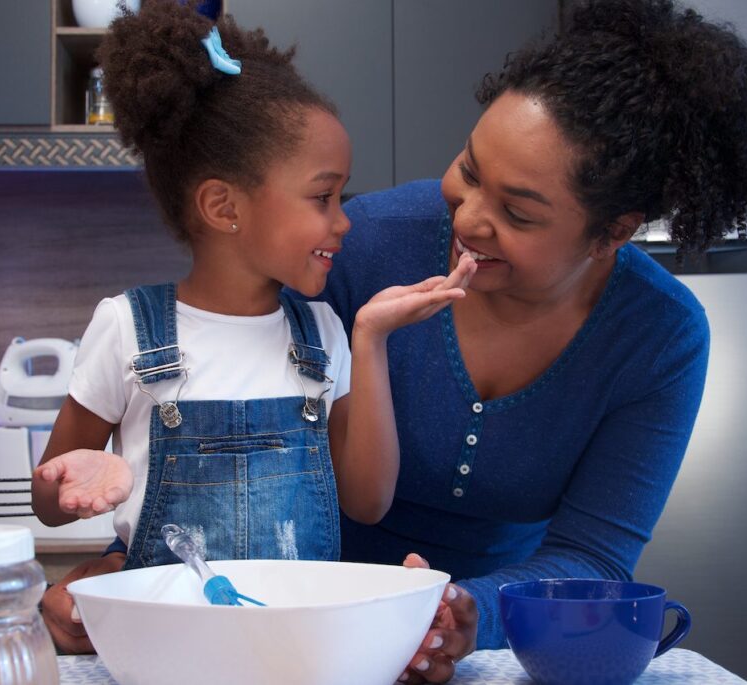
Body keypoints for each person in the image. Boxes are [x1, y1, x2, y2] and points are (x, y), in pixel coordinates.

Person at [40, 1, 747, 681]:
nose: (469, 217)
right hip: (301, 637)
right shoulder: (364, 246)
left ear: (611, 233)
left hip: (485, 646)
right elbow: (226, 396)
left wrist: (467, 610)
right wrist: (139, 567)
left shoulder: (660, 335)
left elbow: (594, 557)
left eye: (520, 211)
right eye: (469, 169)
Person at [32, 0, 474, 623]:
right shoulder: (126, 327)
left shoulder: (324, 333)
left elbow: (369, 502)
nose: (344, 220)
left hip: (296, 645)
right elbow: (47, 505)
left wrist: (370, 339)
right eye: (323, 196)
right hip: (165, 645)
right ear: (223, 206)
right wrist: (66, 482)